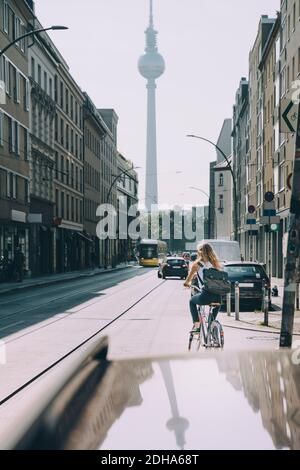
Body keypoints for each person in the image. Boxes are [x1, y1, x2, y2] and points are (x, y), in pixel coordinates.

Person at [184, 243, 222, 333]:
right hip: (218, 296)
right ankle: (212, 325)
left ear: (200, 253)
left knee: (192, 301)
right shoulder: (216, 264)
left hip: (205, 295)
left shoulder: (197, 265)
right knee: (215, 307)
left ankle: (197, 327)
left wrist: (186, 284)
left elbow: (187, 281)